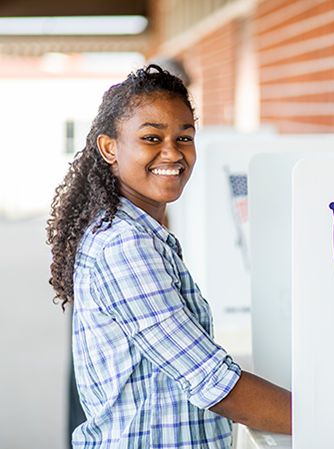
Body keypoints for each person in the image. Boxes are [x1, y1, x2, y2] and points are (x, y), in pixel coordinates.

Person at [47, 64, 291, 448]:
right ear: (110, 147)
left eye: (184, 137)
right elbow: (214, 382)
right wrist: (323, 415)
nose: (172, 152)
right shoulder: (125, 246)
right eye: (151, 137)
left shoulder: (141, 231)